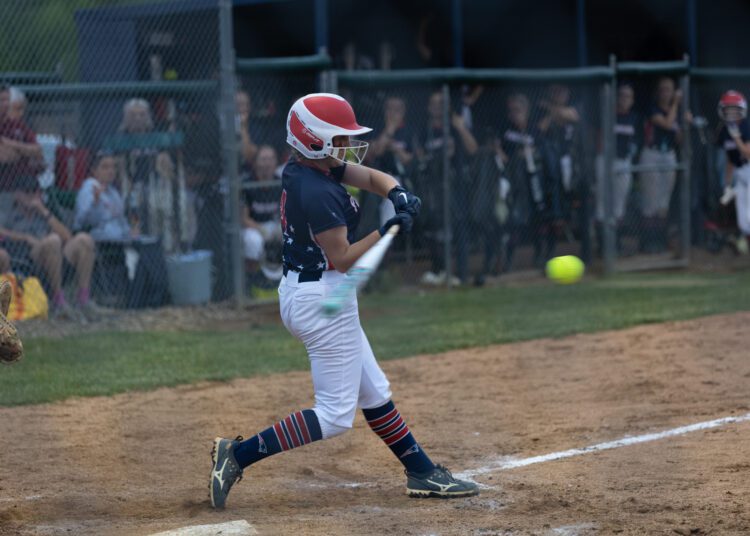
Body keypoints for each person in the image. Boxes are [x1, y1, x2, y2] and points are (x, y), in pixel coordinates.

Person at [209, 93, 478, 509]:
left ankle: (421, 471)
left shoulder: (308, 166)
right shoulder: (316, 189)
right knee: (334, 415)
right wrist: (386, 229)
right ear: (313, 140)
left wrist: (396, 192)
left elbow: (369, 176)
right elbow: (344, 258)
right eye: (338, 138)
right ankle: (238, 454)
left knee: (373, 390)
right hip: (322, 299)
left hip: (310, 290)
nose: (347, 145)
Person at [74, 151, 168, 308]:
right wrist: (95, 203)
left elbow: (122, 218)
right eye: (105, 167)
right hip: (101, 239)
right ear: (94, 171)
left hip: (121, 237)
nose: (111, 171)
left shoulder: (113, 192)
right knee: (141, 252)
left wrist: (132, 230)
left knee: (152, 245)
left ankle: (153, 297)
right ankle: (138, 298)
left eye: (113, 167)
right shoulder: (89, 188)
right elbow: (82, 221)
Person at [0, 176, 97, 320]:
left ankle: (83, 298)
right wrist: (25, 237)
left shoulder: (45, 213)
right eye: (28, 192)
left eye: (36, 192)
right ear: (17, 195)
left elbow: (67, 237)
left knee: (84, 240)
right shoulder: (9, 214)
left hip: (55, 254)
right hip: (27, 259)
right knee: (52, 241)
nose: (32, 196)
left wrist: (43, 211)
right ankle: (59, 301)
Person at [416, 90, 478, 285]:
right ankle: (440, 269)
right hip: (432, 185)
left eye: (441, 103)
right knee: (432, 227)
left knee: (459, 224)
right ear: (428, 108)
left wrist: (461, 128)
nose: (437, 107)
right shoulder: (424, 130)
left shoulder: (454, 126)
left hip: (455, 182)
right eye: (434, 104)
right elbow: (419, 157)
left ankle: (461, 273)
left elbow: (473, 149)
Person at [639, 77, 684, 253]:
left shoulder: (676, 112)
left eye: (669, 89)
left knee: (663, 201)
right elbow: (666, 124)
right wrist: (676, 104)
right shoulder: (653, 108)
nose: (666, 93)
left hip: (669, 155)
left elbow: (679, 138)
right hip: (652, 154)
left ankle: (660, 241)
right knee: (651, 200)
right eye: (663, 89)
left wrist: (684, 125)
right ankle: (647, 242)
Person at [596, 83, 639, 254]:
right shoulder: (607, 114)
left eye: (628, 96)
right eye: (621, 95)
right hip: (605, 161)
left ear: (632, 100)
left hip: (624, 162)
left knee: (619, 204)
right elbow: (599, 139)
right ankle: (602, 245)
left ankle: (616, 243)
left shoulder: (634, 117)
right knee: (602, 203)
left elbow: (637, 141)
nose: (624, 99)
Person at [242, 145, 283, 294]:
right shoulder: (247, 184)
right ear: (256, 163)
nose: (268, 163)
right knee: (253, 241)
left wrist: (280, 227)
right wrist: (261, 230)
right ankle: (252, 283)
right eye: (264, 159)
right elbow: (243, 218)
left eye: (271, 159)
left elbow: (288, 212)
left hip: (275, 225)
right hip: (253, 226)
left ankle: (286, 281)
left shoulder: (280, 182)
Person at [716, 90, 750, 252]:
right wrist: (727, 184)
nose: (731, 114)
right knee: (743, 220)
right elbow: (730, 159)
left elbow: (747, 153)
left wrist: (736, 137)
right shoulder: (724, 131)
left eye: (734, 110)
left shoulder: (746, 127)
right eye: (728, 110)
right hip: (739, 172)